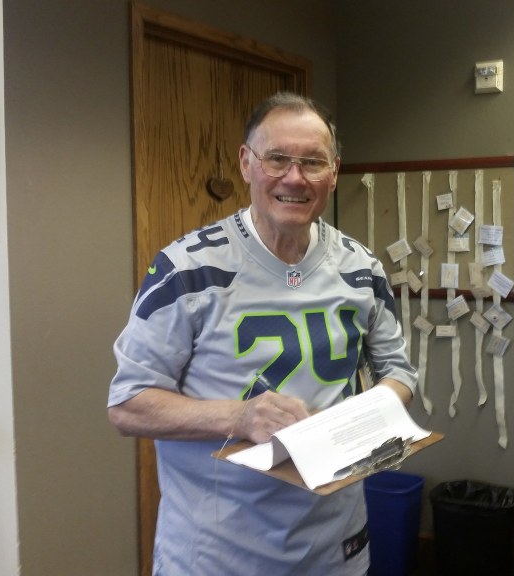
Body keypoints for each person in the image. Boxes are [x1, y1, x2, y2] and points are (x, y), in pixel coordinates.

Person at [107, 92, 417, 575]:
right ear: (246, 163)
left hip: (336, 548)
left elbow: (398, 372)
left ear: (334, 173)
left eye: (313, 162)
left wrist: (360, 420)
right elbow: (127, 403)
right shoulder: (186, 269)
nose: (295, 177)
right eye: (277, 159)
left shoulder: (362, 267)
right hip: (218, 555)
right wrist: (240, 415)